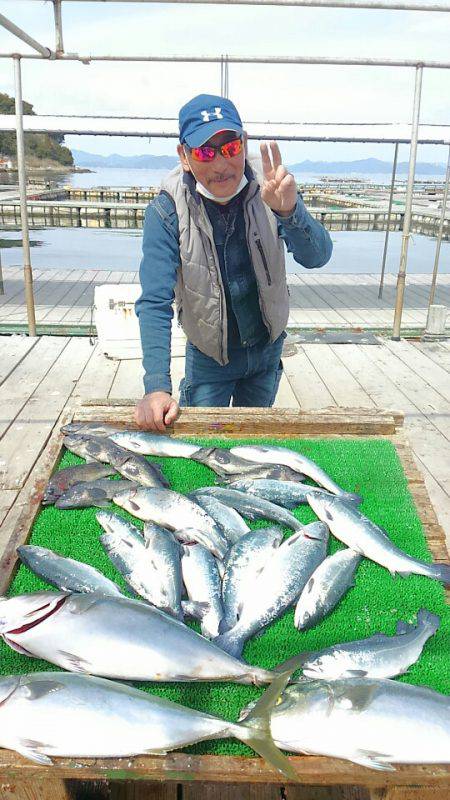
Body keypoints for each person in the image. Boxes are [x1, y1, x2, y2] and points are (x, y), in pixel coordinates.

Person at [135, 94, 333, 431]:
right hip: (210, 357)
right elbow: (155, 301)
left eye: (229, 148)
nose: (220, 164)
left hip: (267, 350)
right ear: (184, 156)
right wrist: (156, 386)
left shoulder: (271, 185)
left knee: (253, 441)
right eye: (205, 152)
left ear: (244, 143)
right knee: (202, 445)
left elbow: (317, 256)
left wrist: (289, 212)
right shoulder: (167, 211)